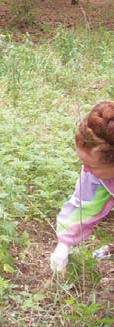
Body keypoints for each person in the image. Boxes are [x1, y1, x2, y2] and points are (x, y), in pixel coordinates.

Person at [50, 101, 114, 272]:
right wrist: (64, 244)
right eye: (84, 162)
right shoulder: (95, 174)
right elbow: (84, 204)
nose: (86, 170)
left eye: (92, 165)